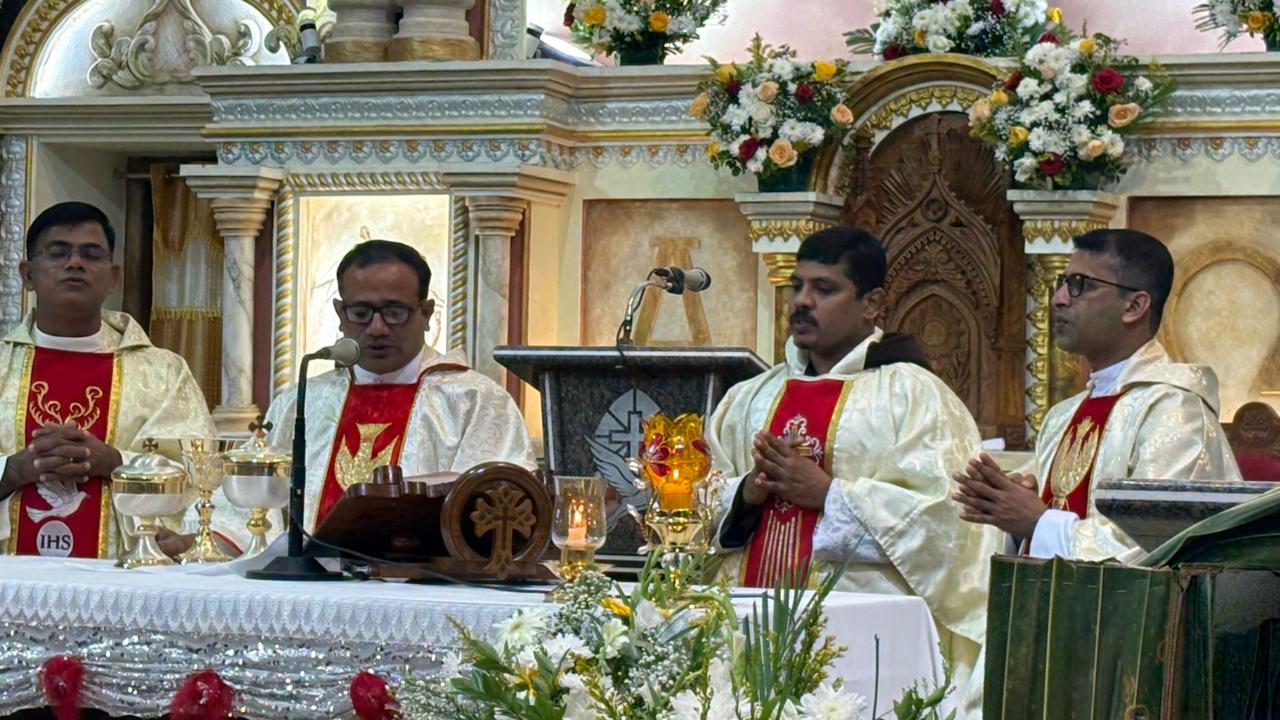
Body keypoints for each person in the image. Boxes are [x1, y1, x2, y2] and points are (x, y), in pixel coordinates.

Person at [706, 226, 1001, 711]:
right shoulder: (749, 398)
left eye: (824, 289)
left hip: (858, 643)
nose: (802, 301)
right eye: (797, 286)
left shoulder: (914, 396)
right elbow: (693, 503)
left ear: (872, 303)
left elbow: (948, 523)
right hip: (744, 630)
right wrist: (746, 494)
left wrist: (829, 495)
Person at [954, 229, 1242, 563]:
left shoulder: (1174, 410)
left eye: (1080, 285)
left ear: (1134, 306)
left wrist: (1038, 521)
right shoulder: (1063, 416)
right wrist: (1014, 512)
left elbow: (1159, 544)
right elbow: (1045, 520)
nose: (1059, 298)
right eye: (1063, 283)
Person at [263, 240, 536, 532]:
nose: (377, 328)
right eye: (360, 313)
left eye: (394, 312)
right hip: (309, 562)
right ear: (341, 314)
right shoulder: (302, 401)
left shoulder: (475, 401)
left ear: (426, 313)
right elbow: (252, 511)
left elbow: (497, 508)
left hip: (428, 561)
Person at [0, 201, 218, 559]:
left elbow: (202, 478)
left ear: (113, 276)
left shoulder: (162, 373)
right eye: (58, 252)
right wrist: (13, 469)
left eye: (91, 254)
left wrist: (114, 462)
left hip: (125, 580)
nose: (75, 263)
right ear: (27, 274)